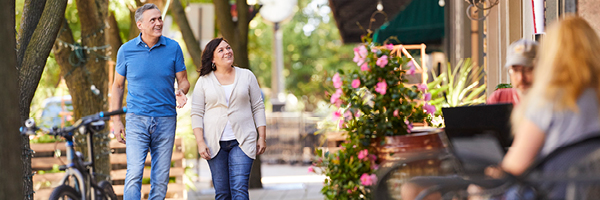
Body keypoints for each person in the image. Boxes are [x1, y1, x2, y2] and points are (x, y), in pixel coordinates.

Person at [402, 16, 600, 200]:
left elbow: (512, 168)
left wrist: (482, 182)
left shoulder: (549, 100)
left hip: (544, 191)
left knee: (416, 187)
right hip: (581, 191)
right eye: (516, 70)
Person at [110, 3, 190, 200]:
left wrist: (181, 91)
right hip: (137, 119)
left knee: (161, 178)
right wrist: (116, 120)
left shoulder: (173, 47)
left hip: (166, 119)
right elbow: (118, 86)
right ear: (140, 25)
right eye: (152, 20)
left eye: (159, 18)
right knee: (134, 174)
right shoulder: (126, 50)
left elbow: (184, 81)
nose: (158, 23)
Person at [191, 38, 267, 200]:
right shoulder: (204, 81)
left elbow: (258, 107)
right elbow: (197, 113)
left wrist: (262, 136)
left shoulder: (246, 76)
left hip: (243, 141)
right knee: (222, 193)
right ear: (212, 58)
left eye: (228, 48)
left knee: (239, 190)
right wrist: (200, 142)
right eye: (221, 50)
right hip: (214, 143)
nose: (227, 52)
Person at [487, 39, 538, 105]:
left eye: (527, 70)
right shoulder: (499, 99)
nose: (521, 77)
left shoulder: (551, 102)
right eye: (515, 70)